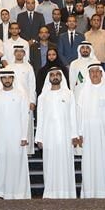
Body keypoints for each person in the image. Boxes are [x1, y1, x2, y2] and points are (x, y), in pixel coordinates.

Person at [0, 70, 32, 199]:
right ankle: (0, 193)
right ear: (0, 80)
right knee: (1, 163)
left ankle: (18, 193)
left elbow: (25, 117)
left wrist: (24, 136)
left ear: (13, 79)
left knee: (17, 163)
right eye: (4, 78)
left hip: (17, 135)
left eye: (9, 78)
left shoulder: (21, 95)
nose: (7, 80)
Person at [35, 67, 79, 199]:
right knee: (50, 164)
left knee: (66, 163)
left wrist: (74, 135)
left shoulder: (69, 94)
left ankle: (67, 193)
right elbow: (40, 117)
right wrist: (39, 137)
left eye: (57, 75)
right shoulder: (43, 96)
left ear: (61, 77)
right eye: (52, 75)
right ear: (49, 78)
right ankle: (50, 194)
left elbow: (73, 115)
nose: (55, 77)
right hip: (49, 136)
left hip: (66, 135)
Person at [77, 64, 105, 198]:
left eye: (97, 71)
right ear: (89, 75)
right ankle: (89, 193)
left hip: (104, 134)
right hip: (88, 134)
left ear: (101, 74)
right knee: (89, 163)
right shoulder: (84, 92)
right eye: (92, 72)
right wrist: (80, 133)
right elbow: (80, 114)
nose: (94, 74)